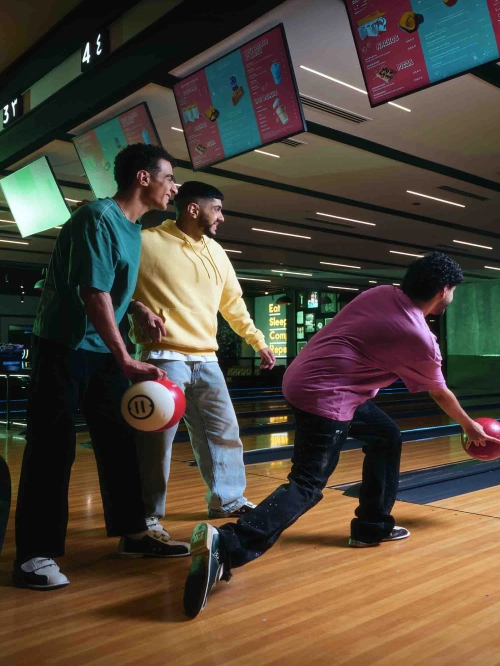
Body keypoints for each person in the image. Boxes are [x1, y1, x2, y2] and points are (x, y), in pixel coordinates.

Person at [182, 251, 500, 617]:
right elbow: (439, 391)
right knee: (307, 483)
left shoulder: (380, 294)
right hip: (327, 395)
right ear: (444, 290)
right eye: (454, 291)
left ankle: (372, 527)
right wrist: (469, 425)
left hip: (306, 379)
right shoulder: (418, 337)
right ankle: (230, 545)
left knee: (386, 437)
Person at [14, 143, 190, 591]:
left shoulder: (131, 227)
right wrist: (126, 357)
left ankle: (133, 534)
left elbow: (111, 285)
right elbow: (93, 293)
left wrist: (140, 308)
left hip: (102, 351)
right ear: (143, 179)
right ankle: (35, 554)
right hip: (64, 347)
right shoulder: (97, 216)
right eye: (170, 178)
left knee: (120, 443)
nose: (175, 187)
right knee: (52, 449)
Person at [129, 181, 276, 536]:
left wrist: (257, 340)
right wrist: (136, 308)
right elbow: (114, 285)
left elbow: (232, 304)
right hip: (162, 356)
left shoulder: (216, 251)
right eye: (218, 209)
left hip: (206, 358)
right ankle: (146, 515)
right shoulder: (145, 241)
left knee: (223, 431)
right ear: (194, 209)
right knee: (156, 442)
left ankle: (226, 499)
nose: (222, 218)